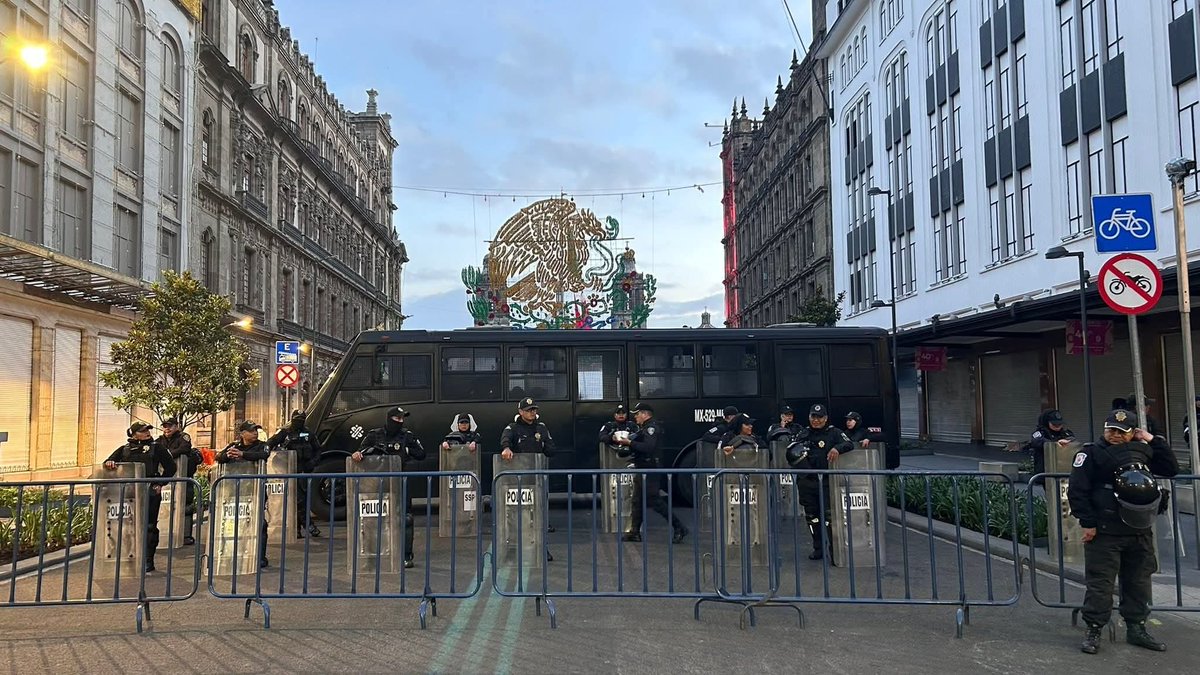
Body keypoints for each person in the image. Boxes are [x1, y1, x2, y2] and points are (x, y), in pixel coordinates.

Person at [1067, 409, 1180, 654]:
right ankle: (1094, 629)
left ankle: (1136, 628)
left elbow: (1171, 468)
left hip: (1138, 530)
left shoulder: (1144, 451)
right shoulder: (1090, 453)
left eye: (1121, 431)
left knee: (1138, 583)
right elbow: (1077, 490)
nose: (1115, 435)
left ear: (1132, 433)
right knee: (1101, 585)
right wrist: (1088, 523)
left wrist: (1152, 439)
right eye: (1111, 430)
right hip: (1105, 531)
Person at [353, 407, 426, 568]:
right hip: (378, 483)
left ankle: (406, 555)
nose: (400, 422)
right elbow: (360, 453)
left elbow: (421, 453)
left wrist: (407, 450)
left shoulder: (407, 436)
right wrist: (358, 455)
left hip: (400, 482)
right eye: (397, 419)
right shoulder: (374, 435)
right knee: (374, 519)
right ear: (389, 419)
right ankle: (373, 555)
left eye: (402, 419)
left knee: (405, 519)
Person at [611, 402, 687, 543]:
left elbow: (648, 447)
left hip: (650, 468)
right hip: (642, 468)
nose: (635, 417)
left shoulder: (651, 428)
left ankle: (679, 528)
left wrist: (629, 443)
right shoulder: (644, 428)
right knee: (637, 501)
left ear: (645, 414)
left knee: (655, 501)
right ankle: (634, 532)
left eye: (637, 414)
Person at [104, 422, 176, 572]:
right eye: (143, 431)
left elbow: (171, 467)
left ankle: (147, 560)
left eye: (148, 430)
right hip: (129, 493)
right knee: (128, 525)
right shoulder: (125, 449)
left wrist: (160, 483)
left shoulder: (157, 448)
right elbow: (107, 462)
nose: (147, 433)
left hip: (149, 491)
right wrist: (110, 464)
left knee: (149, 526)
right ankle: (129, 556)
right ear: (133, 433)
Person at [785, 404, 853, 561]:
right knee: (812, 517)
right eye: (813, 417)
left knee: (830, 517)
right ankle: (818, 548)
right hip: (807, 482)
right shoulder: (804, 433)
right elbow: (792, 451)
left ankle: (834, 550)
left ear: (825, 418)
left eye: (819, 417)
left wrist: (837, 449)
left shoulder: (834, 432)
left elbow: (848, 443)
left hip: (826, 482)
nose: (816, 420)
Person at [499, 398, 555, 560]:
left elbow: (551, 448)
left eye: (534, 409)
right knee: (516, 514)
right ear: (521, 412)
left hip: (537, 477)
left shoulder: (541, 428)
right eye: (529, 410)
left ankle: (541, 548)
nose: (532, 412)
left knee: (537, 514)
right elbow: (505, 439)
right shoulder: (513, 428)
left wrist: (547, 447)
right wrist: (507, 448)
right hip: (518, 479)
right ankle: (514, 548)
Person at [217, 421, 272, 568]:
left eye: (255, 430)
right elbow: (219, 457)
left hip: (255, 490)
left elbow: (264, 454)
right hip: (235, 491)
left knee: (260, 523)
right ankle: (233, 553)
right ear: (242, 434)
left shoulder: (262, 445)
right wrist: (228, 455)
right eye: (251, 430)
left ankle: (259, 556)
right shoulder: (234, 445)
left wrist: (243, 455)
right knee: (234, 523)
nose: (254, 432)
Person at [266, 411, 323, 538]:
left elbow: (318, 449)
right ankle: (308, 524)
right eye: (297, 419)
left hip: (304, 470)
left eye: (302, 419)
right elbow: (271, 442)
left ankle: (296, 528)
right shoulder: (285, 433)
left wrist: (313, 462)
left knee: (302, 499)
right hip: (288, 471)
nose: (299, 422)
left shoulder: (309, 433)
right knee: (298, 499)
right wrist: (266, 450)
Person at [156, 417, 198, 545]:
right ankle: (167, 533)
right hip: (168, 478)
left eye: (170, 426)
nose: (167, 428)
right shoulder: (159, 440)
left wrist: (167, 455)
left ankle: (185, 535)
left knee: (186, 505)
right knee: (166, 505)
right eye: (165, 426)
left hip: (184, 476)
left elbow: (184, 449)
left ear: (177, 426)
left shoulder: (183, 437)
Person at [1020, 410, 1075, 476]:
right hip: (1045, 470)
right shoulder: (1040, 433)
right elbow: (1037, 441)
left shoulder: (1065, 433)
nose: (1057, 426)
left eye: (1059, 424)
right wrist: (1056, 443)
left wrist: (1068, 441)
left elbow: (1072, 441)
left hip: (1064, 469)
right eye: (1054, 424)